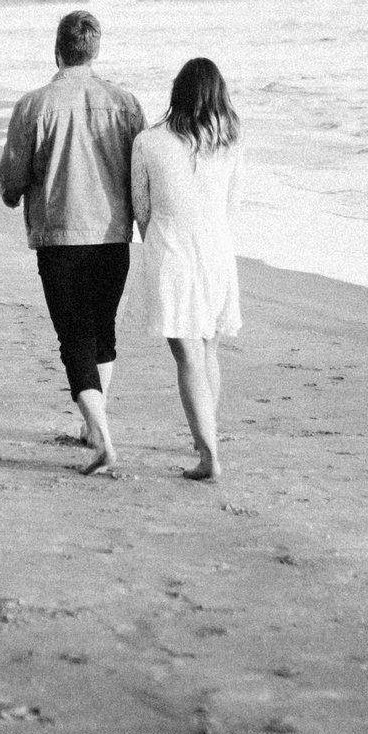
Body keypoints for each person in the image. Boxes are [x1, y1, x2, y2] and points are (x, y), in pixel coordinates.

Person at [0, 10, 147, 474]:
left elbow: (10, 184)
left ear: (58, 49)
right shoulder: (126, 104)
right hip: (113, 235)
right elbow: (140, 176)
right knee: (102, 331)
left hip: (61, 237)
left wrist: (16, 186)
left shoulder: (33, 106)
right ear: (95, 50)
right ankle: (92, 425)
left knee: (73, 338)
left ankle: (101, 436)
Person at [129, 57, 244, 481]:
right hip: (217, 251)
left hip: (171, 250)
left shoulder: (149, 142)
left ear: (177, 91)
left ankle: (209, 455)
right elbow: (233, 207)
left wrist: (158, 241)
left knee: (187, 354)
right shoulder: (231, 142)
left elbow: (140, 210)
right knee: (208, 350)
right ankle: (205, 439)